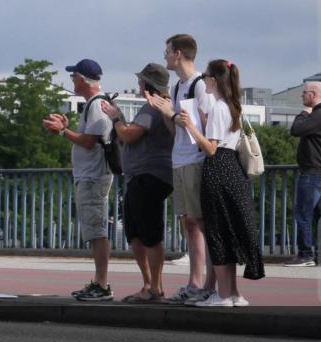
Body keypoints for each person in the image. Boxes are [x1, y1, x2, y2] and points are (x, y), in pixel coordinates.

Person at [177, 59, 264, 306]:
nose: (203, 79)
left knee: (218, 231)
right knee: (231, 230)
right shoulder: (234, 106)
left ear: (213, 80)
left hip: (217, 170)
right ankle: (234, 293)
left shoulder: (217, 107)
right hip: (234, 170)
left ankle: (223, 294)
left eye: (205, 76)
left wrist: (192, 127)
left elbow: (211, 149)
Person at [147, 34, 217, 305]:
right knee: (189, 222)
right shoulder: (177, 87)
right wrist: (167, 113)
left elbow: (206, 126)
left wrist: (172, 115)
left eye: (167, 51)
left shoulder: (200, 85)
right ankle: (195, 282)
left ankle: (206, 284)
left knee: (201, 222)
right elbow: (175, 127)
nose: (164, 56)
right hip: (180, 158)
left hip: (196, 160)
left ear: (177, 53)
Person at [43, 58, 114, 301]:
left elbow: (88, 141)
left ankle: (102, 284)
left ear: (83, 79)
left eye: (74, 77)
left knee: (97, 230)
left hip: (94, 176)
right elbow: (89, 137)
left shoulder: (96, 105)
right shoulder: (95, 104)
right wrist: (67, 128)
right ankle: (99, 281)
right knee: (94, 230)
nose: (72, 80)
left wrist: (63, 131)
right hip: (92, 175)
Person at [101, 64, 173, 302]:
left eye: (141, 82)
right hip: (141, 176)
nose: (139, 85)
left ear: (147, 85)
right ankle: (149, 285)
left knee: (148, 233)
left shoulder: (152, 107)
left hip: (149, 175)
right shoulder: (158, 106)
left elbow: (129, 135)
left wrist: (116, 118)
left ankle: (155, 287)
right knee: (135, 232)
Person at [286, 81, 321, 267]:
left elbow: (296, 130)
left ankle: (305, 255)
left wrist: (303, 114)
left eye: (304, 93)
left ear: (313, 95)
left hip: (314, 172)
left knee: (303, 214)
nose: (302, 96)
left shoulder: (318, 115)